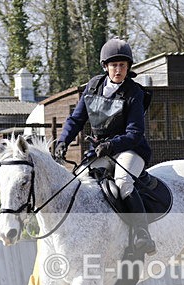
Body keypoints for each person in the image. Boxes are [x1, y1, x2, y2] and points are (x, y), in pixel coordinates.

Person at [54, 38, 156, 255]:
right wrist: (63, 140)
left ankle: (142, 233)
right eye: (114, 65)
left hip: (130, 149)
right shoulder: (93, 86)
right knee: (79, 179)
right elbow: (76, 119)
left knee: (123, 181)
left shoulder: (134, 92)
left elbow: (135, 133)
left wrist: (111, 144)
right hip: (101, 150)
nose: (118, 70)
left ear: (128, 67)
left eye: (122, 65)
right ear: (105, 66)